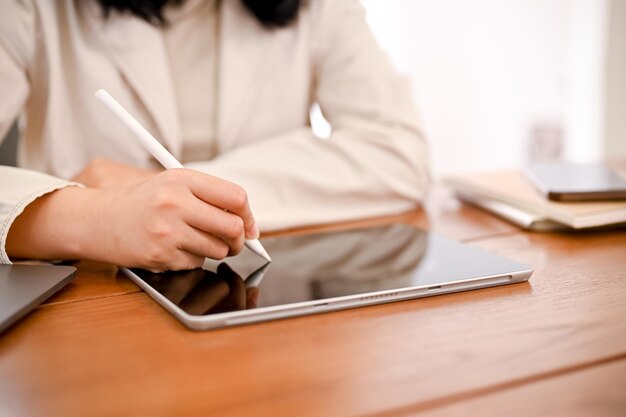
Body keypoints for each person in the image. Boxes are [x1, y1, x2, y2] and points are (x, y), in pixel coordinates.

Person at [0, 0, 430, 271]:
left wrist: (169, 193)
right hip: (89, 307)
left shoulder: (320, 8)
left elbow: (398, 153)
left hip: (253, 305)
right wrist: (91, 215)